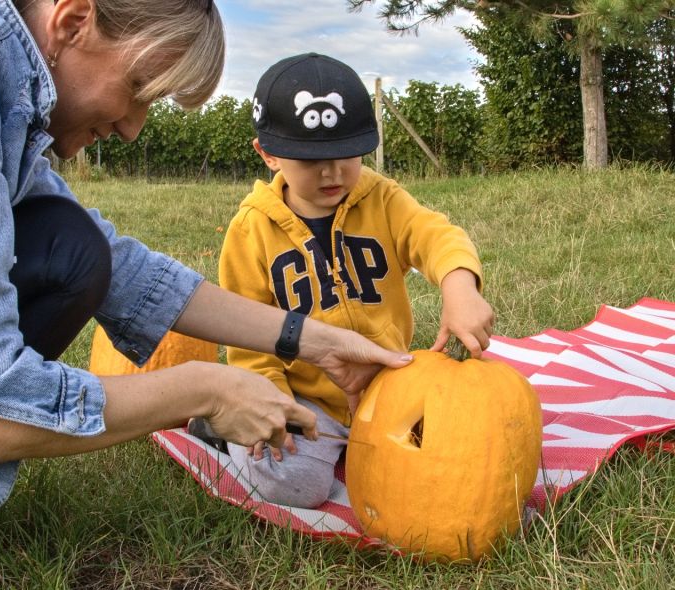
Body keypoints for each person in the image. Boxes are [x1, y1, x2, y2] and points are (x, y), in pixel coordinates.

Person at [0, 2, 413, 590]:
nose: (133, 126)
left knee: (70, 248)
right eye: (137, 88)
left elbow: (129, 274)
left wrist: (314, 338)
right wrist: (205, 389)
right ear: (73, 20)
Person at [208, 53, 495, 509]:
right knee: (296, 484)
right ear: (268, 154)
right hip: (307, 400)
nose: (332, 172)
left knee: (468, 456)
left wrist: (459, 285)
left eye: (347, 153)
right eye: (311, 159)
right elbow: (248, 344)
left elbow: (435, 235)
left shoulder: (382, 199)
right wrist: (275, 407)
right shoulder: (250, 232)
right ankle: (225, 433)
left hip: (386, 384)